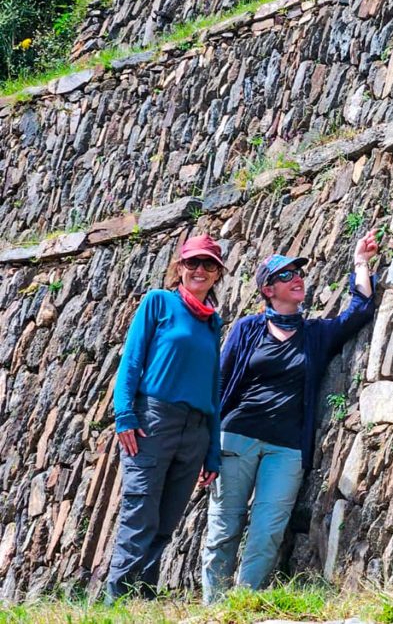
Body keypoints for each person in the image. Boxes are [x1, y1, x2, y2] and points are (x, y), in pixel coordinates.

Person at [202, 232, 378, 603]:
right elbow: (217, 386)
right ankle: (212, 608)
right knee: (223, 529)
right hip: (236, 438)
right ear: (267, 289)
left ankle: (241, 604)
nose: (297, 279)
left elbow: (359, 310)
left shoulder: (314, 334)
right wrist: (206, 446)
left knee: (268, 530)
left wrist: (360, 262)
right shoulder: (247, 329)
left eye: (298, 274)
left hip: (286, 449)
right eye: (285, 276)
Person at [108, 234, 227, 601]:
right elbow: (132, 361)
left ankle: (142, 599)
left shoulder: (213, 323)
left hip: (195, 430)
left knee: (167, 517)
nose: (200, 270)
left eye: (209, 265)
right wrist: (125, 415)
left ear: (218, 274)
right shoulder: (158, 303)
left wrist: (212, 450)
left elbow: (213, 388)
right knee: (140, 512)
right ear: (180, 268)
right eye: (193, 263)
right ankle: (115, 602)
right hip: (153, 420)